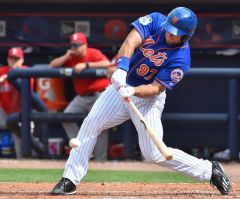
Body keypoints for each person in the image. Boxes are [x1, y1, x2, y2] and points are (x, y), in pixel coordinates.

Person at [50, 7, 231, 196]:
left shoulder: (181, 59)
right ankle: (70, 179)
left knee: (153, 154)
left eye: (175, 33)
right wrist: (121, 68)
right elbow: (130, 41)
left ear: (186, 36)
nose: (169, 33)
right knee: (91, 123)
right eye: (169, 28)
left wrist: (134, 90)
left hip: (148, 99)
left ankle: (209, 170)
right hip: (121, 84)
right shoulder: (155, 20)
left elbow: (155, 88)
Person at [49, 32, 111, 160]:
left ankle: (101, 161)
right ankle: (82, 147)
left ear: (85, 45)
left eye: (77, 45)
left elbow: (107, 63)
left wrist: (87, 65)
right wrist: (66, 56)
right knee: (66, 116)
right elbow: (52, 65)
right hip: (81, 97)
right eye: (73, 45)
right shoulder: (71, 57)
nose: (75, 48)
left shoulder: (93, 52)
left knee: (101, 126)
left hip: (99, 94)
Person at [0, 47, 34, 158]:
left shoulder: (27, 71)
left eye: (16, 58)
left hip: (21, 114)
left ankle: (24, 163)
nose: (13, 61)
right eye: (11, 58)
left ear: (22, 60)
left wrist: (10, 77)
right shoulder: (2, 71)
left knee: (23, 150)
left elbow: (28, 91)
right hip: (4, 111)